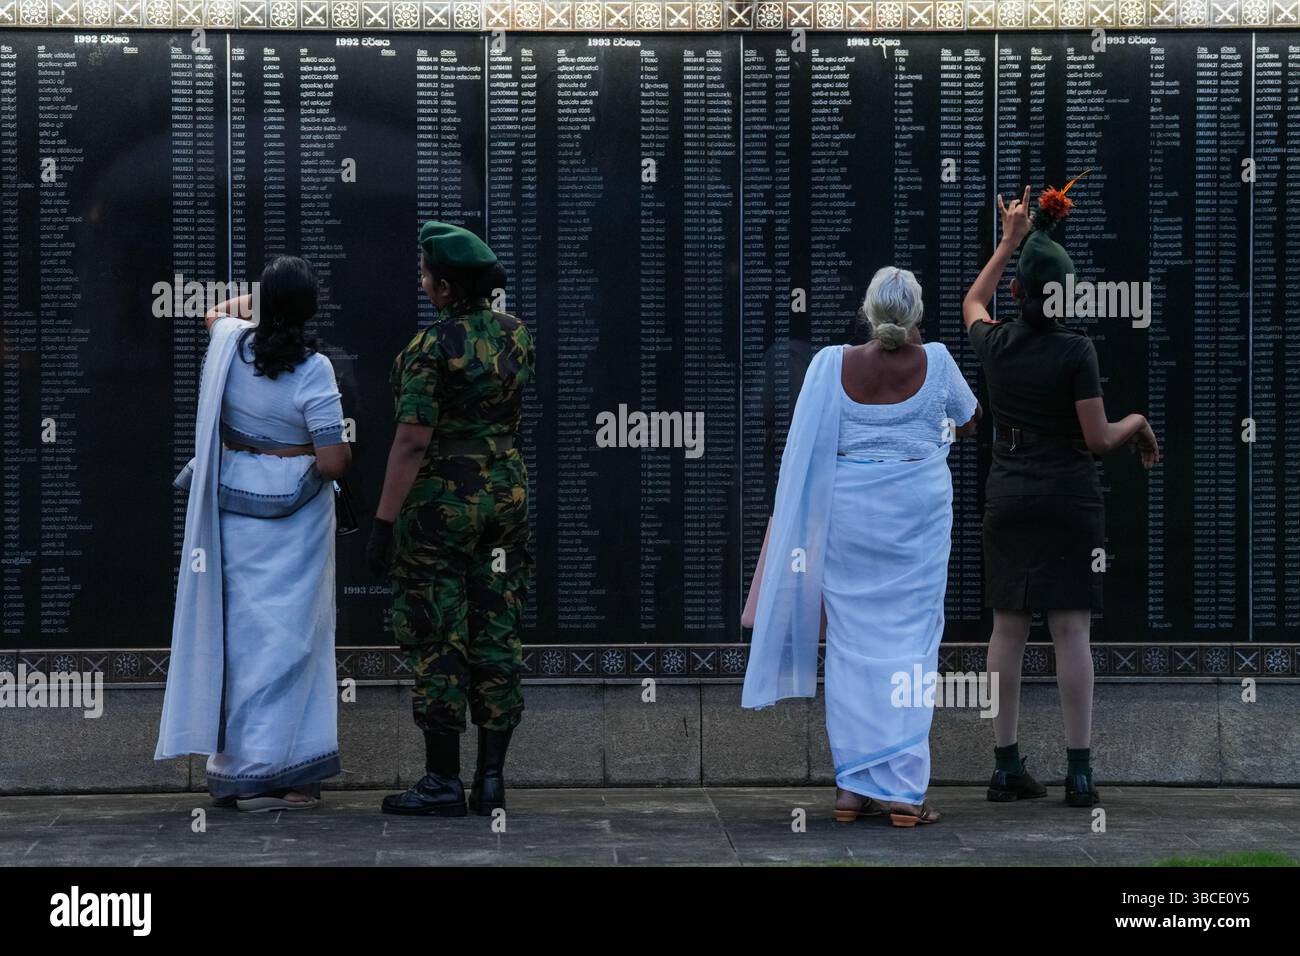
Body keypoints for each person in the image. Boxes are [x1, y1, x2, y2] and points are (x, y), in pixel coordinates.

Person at [742, 266, 981, 827]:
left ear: (869, 313)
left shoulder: (831, 364)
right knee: (912, 648)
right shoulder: (939, 361)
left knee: (850, 646)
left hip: (847, 519)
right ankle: (903, 793)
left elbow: (803, 447)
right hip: (916, 518)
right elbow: (970, 422)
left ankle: (852, 790)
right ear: (916, 314)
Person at [962, 182, 1160, 808]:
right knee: (1072, 632)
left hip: (1010, 494)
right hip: (1069, 497)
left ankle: (1005, 765)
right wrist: (1139, 424)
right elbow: (1099, 438)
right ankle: (1079, 772)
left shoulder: (994, 343)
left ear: (1017, 292)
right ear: (1067, 295)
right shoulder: (1077, 350)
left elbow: (972, 298)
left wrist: (1009, 241)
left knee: (1008, 631)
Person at [156, 256, 352, 812]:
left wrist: (260, 305)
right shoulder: (315, 370)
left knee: (244, 644)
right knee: (291, 646)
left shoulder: (231, 348)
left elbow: (215, 312)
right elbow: (333, 462)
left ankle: (240, 772)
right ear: (311, 310)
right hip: (296, 527)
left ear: (260, 303)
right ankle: (286, 779)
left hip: (234, 515)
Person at [368, 221, 535, 817]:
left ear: (444, 287)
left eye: (425, 274)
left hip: (442, 508)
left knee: (439, 633)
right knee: (496, 629)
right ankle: (492, 780)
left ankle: (443, 782)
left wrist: (384, 524)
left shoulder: (430, 349)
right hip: (505, 503)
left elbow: (412, 441)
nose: (421, 282)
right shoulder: (518, 338)